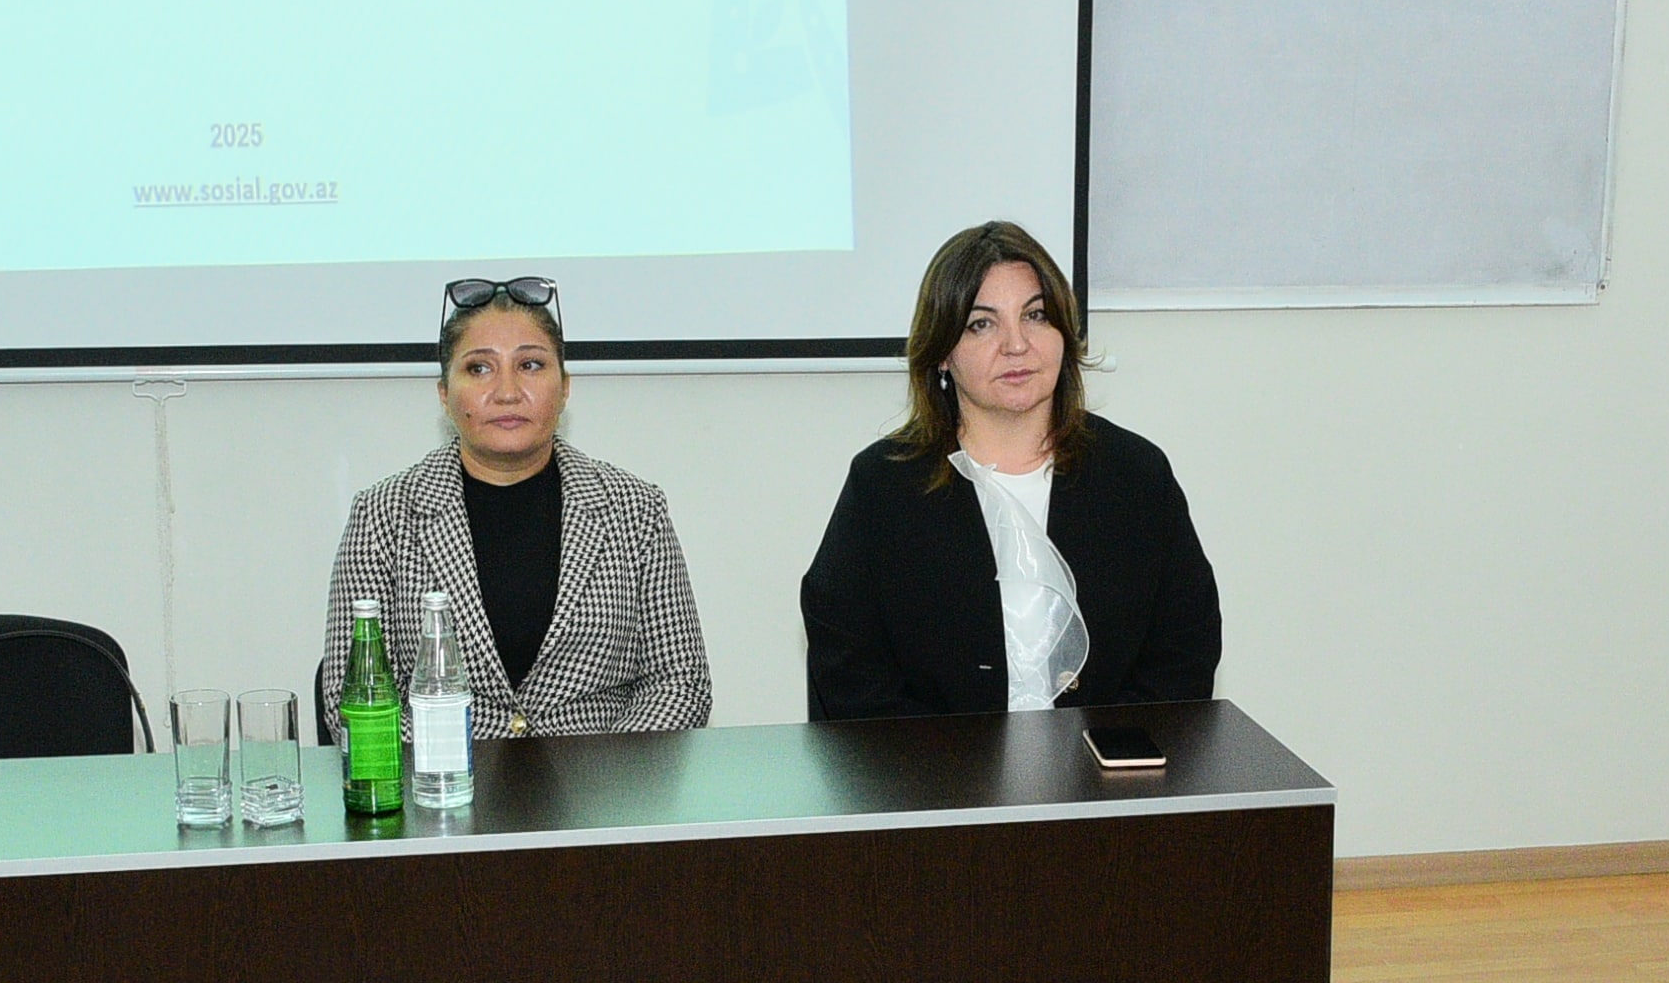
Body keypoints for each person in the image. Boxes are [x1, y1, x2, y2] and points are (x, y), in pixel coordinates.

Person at [800, 221, 1220, 720]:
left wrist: (1099, 756)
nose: (1016, 344)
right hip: (932, 767)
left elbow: (1184, 654)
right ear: (942, 353)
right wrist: (951, 762)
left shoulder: (1135, 475)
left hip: (1106, 766)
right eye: (982, 324)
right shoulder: (883, 486)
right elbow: (849, 669)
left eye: (1035, 316)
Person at [318, 277, 710, 736]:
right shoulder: (383, 516)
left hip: (603, 776)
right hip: (440, 777)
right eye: (479, 368)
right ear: (444, 394)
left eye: (530, 365)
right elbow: (352, 702)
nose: (507, 391)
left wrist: (602, 773)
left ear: (564, 387)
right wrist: (451, 768)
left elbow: (681, 683)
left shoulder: (636, 511)